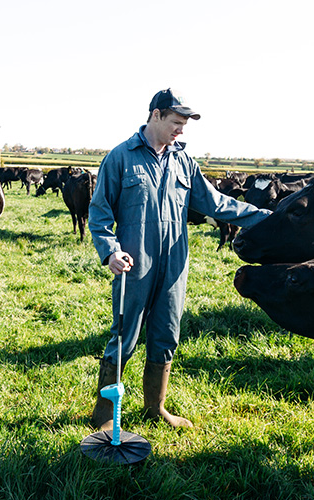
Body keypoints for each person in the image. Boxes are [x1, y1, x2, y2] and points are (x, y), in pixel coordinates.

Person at [86, 89, 270, 430]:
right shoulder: (120, 158)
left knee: (166, 334)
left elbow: (217, 204)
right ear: (155, 115)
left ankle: (155, 408)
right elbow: (98, 214)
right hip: (134, 266)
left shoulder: (184, 161)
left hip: (174, 267)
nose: (181, 130)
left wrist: (267, 218)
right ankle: (102, 416)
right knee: (124, 338)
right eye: (176, 122)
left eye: (184, 125)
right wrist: (110, 250)